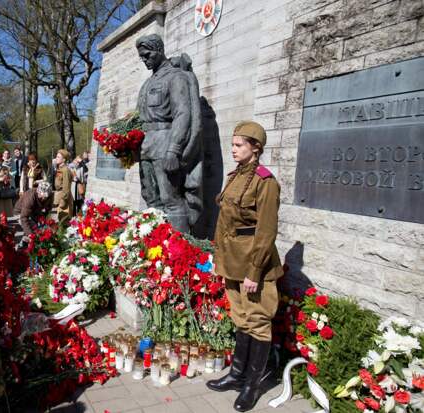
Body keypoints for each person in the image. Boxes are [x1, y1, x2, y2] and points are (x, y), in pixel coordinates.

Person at [206, 121, 283, 412]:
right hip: (232, 261)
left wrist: (254, 272)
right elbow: (226, 222)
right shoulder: (236, 176)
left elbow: (266, 231)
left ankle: (253, 385)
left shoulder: (266, 182)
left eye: (239, 145)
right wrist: (220, 257)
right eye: (234, 144)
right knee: (241, 318)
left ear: (256, 148)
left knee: (258, 322)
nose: (234, 149)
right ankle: (237, 375)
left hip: (254, 265)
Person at [135, 34, 203, 233]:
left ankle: (180, 250)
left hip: (165, 144)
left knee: (170, 199)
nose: (144, 60)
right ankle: (158, 243)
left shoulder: (176, 77)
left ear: (158, 50)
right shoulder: (148, 83)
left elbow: (183, 115)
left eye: (147, 55)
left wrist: (174, 150)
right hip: (146, 146)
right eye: (142, 57)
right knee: (151, 197)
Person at [53, 149, 73, 226]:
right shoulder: (60, 169)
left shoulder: (65, 170)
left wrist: (63, 200)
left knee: (64, 221)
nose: (56, 158)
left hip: (65, 198)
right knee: (60, 220)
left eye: (58, 157)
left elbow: (66, 187)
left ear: (64, 159)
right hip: (60, 195)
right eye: (56, 156)